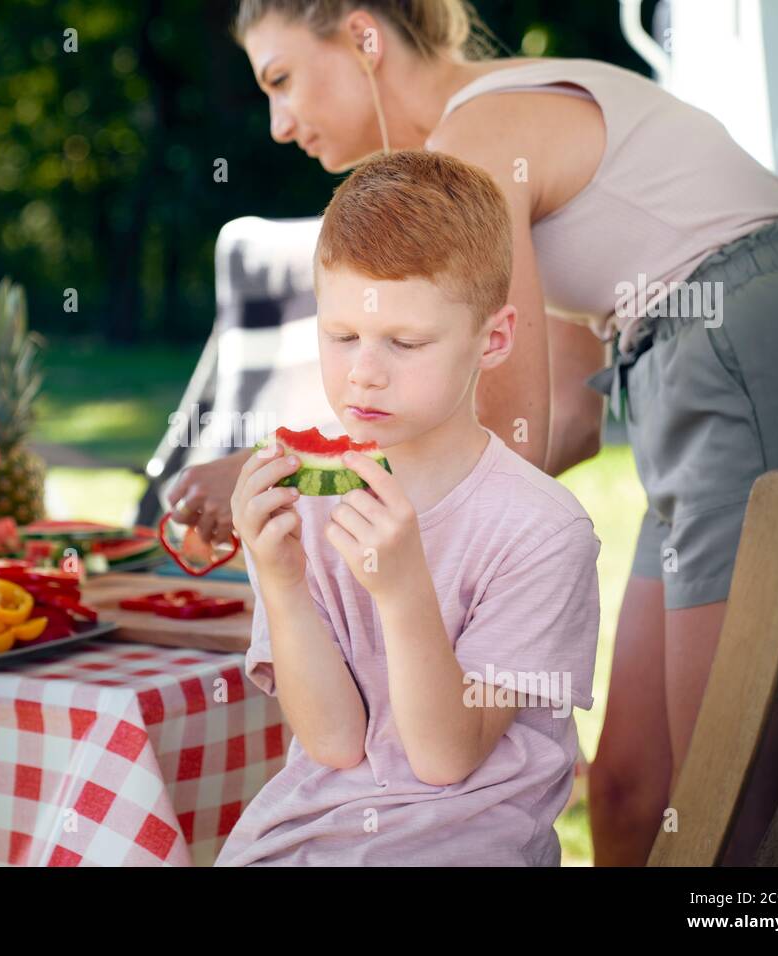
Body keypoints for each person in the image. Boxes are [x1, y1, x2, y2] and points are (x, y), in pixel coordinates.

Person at [203, 0, 778, 865]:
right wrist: (327, 484)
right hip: (708, 362)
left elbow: (503, 437)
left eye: (283, 79)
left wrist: (302, 479)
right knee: (633, 792)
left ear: (364, 37)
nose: (278, 121)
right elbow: (565, 424)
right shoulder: (495, 141)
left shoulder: (472, 145)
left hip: (742, 352)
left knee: (723, 803)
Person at [215, 149, 600, 866]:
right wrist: (282, 581)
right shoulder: (306, 505)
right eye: (342, 336)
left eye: (405, 341)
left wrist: (400, 589)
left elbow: (446, 757)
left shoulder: (543, 533)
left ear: (494, 339)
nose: (364, 369)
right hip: (307, 840)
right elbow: (331, 743)